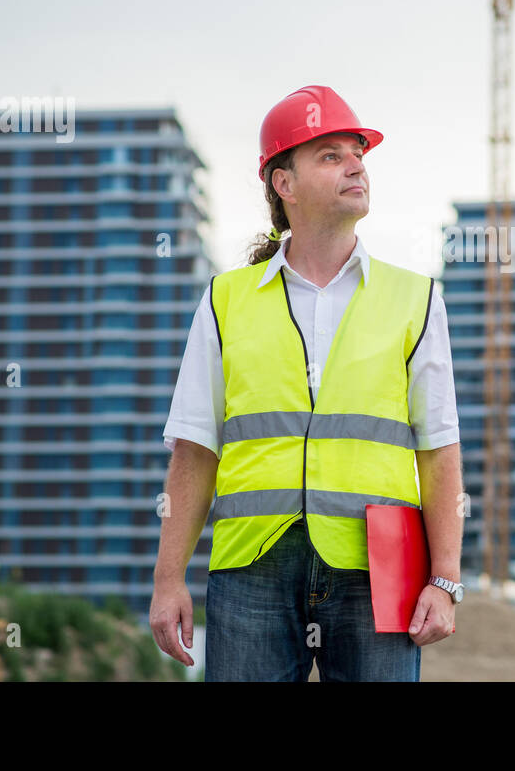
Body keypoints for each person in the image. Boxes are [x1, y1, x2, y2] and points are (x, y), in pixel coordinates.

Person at [150, 85, 463, 681]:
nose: (356, 165)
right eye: (331, 155)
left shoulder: (415, 299)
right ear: (283, 184)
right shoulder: (226, 301)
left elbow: (439, 447)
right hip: (252, 567)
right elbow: (194, 448)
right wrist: (169, 582)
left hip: (381, 567)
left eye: (358, 153)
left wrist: (445, 580)